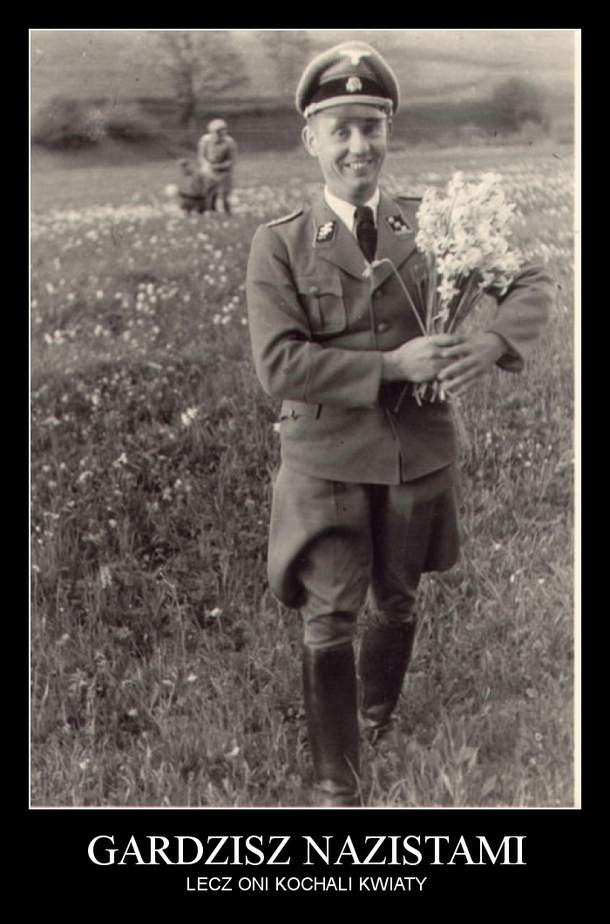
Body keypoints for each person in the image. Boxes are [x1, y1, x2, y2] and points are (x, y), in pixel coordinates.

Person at [246, 41, 555, 807]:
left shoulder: (434, 224)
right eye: (341, 129)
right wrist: (391, 364)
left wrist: (490, 343)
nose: (359, 146)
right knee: (330, 612)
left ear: (389, 133)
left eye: (373, 128)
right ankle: (336, 780)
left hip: (417, 453)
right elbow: (279, 364)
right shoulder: (281, 243)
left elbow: (533, 278)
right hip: (326, 457)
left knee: (399, 597)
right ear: (311, 139)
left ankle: (374, 714)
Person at [197, 118, 238, 214]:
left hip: (224, 171)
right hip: (209, 170)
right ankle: (209, 210)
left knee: (225, 193)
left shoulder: (229, 142)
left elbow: (232, 160)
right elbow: (201, 157)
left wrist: (220, 166)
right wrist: (208, 165)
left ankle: (227, 211)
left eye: (222, 131)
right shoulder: (205, 141)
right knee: (209, 192)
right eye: (217, 132)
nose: (219, 135)